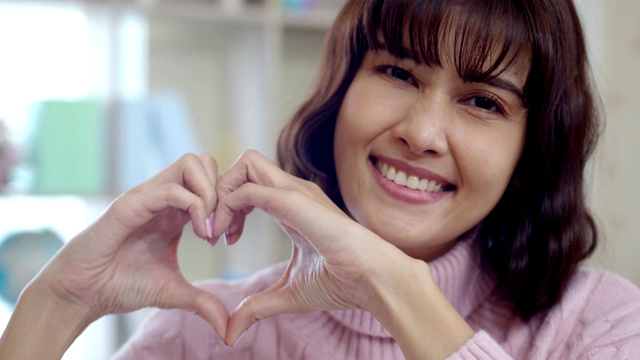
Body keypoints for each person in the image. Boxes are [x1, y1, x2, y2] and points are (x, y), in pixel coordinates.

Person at [1, 0, 640, 358]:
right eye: (397, 73)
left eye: (483, 103)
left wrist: (388, 283)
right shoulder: (211, 333)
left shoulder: (601, 324)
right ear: (340, 92)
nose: (421, 133)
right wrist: (56, 302)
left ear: (533, 147)